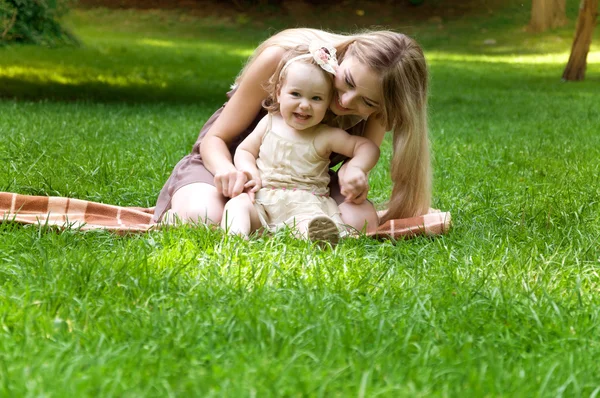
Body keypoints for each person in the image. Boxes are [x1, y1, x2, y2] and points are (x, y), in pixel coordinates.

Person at [154, 28, 431, 232]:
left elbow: (360, 156)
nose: (346, 101)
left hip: (305, 186)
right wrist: (229, 171)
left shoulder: (379, 106)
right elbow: (215, 139)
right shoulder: (284, 62)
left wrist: (354, 173)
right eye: (347, 81)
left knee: (362, 222)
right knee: (203, 215)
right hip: (227, 167)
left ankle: (280, 225)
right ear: (346, 54)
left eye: (367, 102)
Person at [220, 44, 380, 244]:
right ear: (279, 93)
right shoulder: (269, 122)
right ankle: (236, 238)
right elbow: (245, 150)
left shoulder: (326, 135)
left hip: (305, 203)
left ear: (328, 102)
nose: (304, 105)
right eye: (295, 94)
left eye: (316, 98)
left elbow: (366, 147)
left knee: (308, 223)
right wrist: (247, 169)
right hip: (262, 198)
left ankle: (317, 238)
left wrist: (357, 167)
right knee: (238, 205)